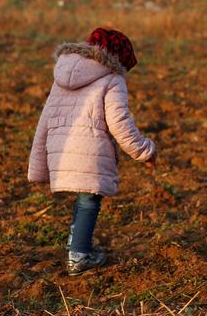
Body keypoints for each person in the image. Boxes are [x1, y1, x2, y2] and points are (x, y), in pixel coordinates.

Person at [27, 28, 157, 275]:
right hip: (91, 148)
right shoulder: (112, 79)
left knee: (84, 198)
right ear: (118, 59)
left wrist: (38, 163)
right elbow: (120, 123)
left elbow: (44, 119)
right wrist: (145, 151)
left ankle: (77, 246)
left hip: (61, 148)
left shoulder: (61, 76)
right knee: (89, 200)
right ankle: (78, 256)